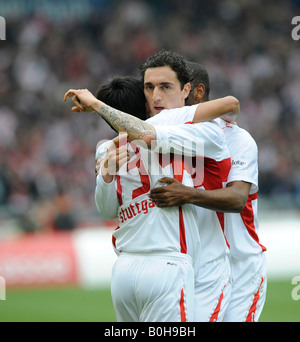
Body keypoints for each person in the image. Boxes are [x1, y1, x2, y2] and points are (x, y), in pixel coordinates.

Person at [64, 69, 238, 322]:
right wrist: (98, 105)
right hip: (167, 262)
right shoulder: (172, 129)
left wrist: (106, 174)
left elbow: (106, 210)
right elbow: (229, 105)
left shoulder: (106, 149)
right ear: (145, 104)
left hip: (124, 269)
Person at [149, 61, 267, 322]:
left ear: (196, 93)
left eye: (170, 88)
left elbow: (237, 199)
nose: (161, 98)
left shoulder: (237, 139)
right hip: (200, 267)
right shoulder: (172, 136)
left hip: (240, 267)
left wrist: (187, 194)